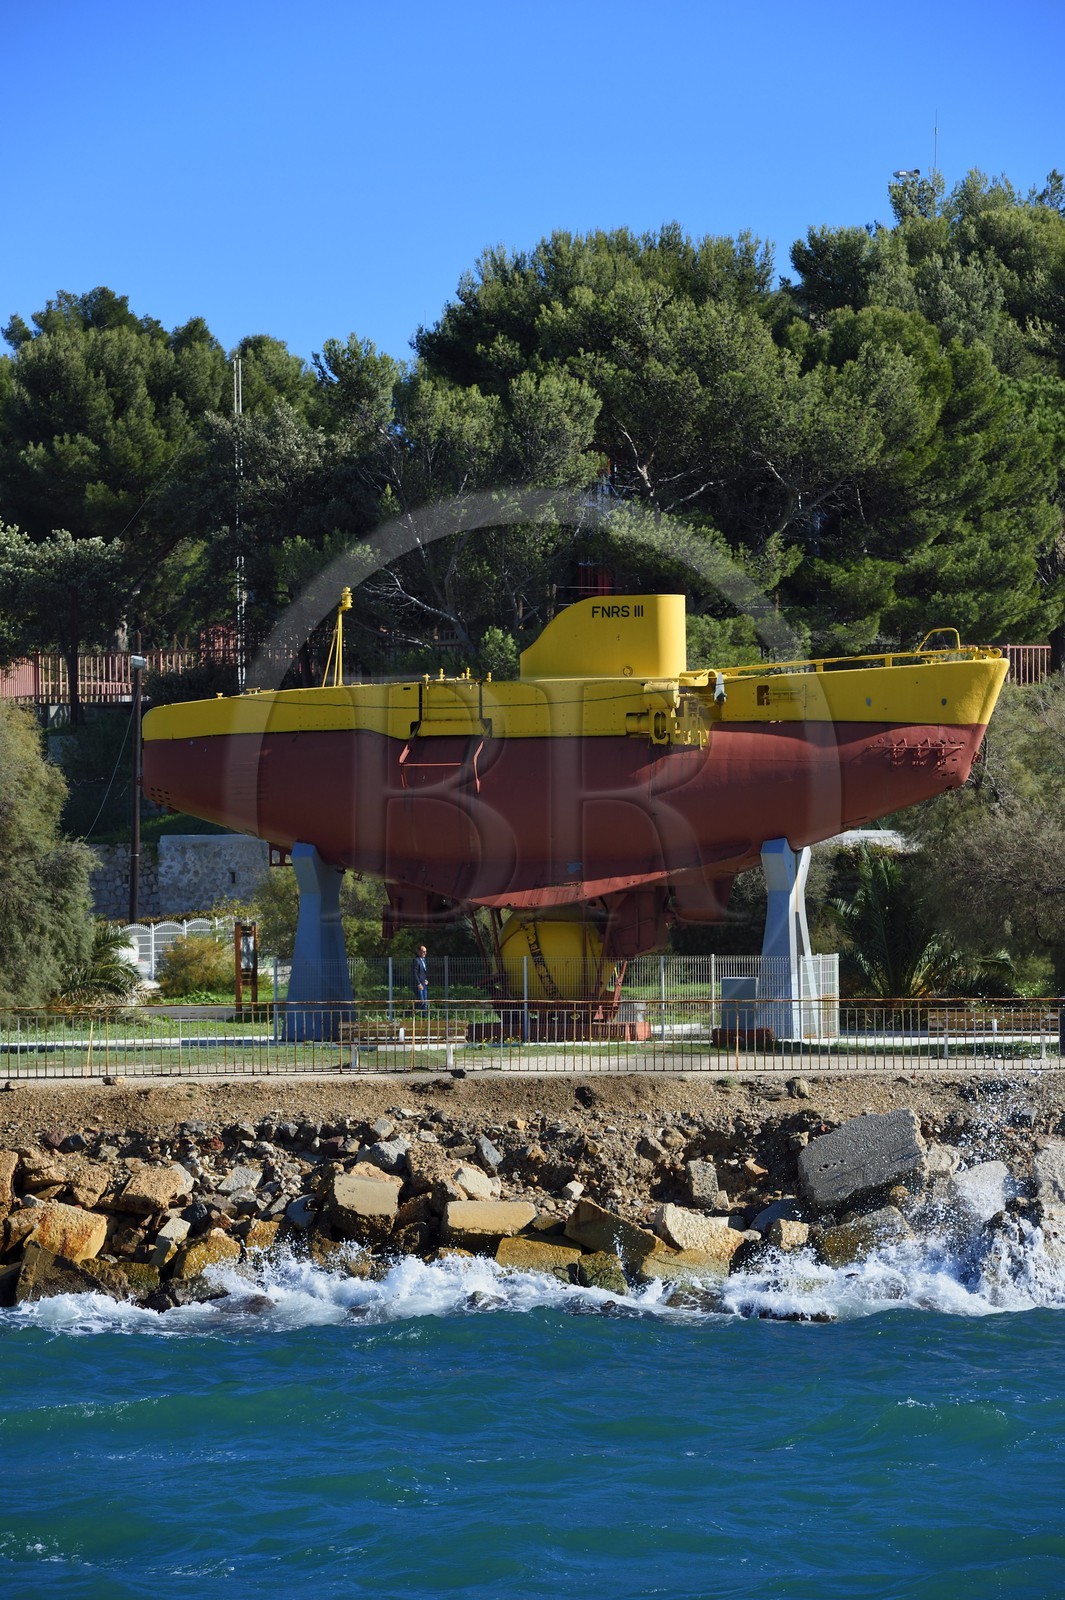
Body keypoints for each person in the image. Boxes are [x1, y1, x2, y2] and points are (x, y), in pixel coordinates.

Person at [413, 944, 429, 1017]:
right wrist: (418, 983)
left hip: (424, 984)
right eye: (423, 952)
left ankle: (424, 1019)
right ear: (419, 952)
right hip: (419, 985)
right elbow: (415, 973)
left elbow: (423, 972)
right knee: (421, 1002)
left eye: (425, 952)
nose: (425, 953)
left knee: (425, 1003)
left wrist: (425, 979)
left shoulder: (424, 960)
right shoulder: (416, 960)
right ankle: (409, 1013)